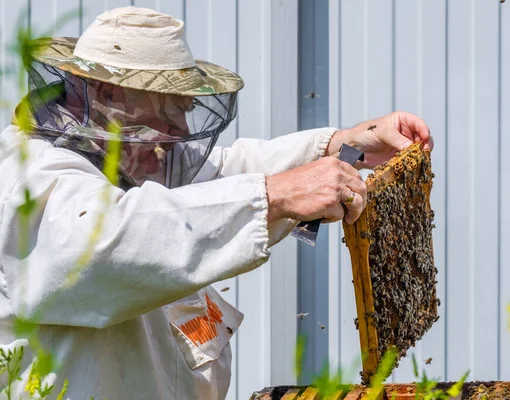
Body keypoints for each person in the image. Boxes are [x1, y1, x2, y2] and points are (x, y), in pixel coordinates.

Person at [0, 6, 433, 400]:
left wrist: (343, 145)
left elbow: (222, 177)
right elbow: (105, 243)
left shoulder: (137, 154)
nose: (180, 125)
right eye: (166, 104)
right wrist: (276, 194)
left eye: (185, 106)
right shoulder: (31, 175)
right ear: (105, 93)